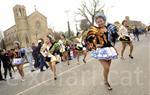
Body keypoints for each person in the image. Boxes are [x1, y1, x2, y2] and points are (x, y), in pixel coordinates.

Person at [86, 12, 118, 90]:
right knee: (106, 67)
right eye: (98, 21)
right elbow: (89, 39)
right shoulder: (95, 30)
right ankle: (106, 82)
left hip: (109, 49)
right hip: (100, 51)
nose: (99, 22)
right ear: (96, 22)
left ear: (104, 20)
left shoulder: (109, 28)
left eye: (101, 21)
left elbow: (112, 40)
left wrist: (115, 49)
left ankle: (105, 79)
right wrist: (95, 45)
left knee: (108, 68)